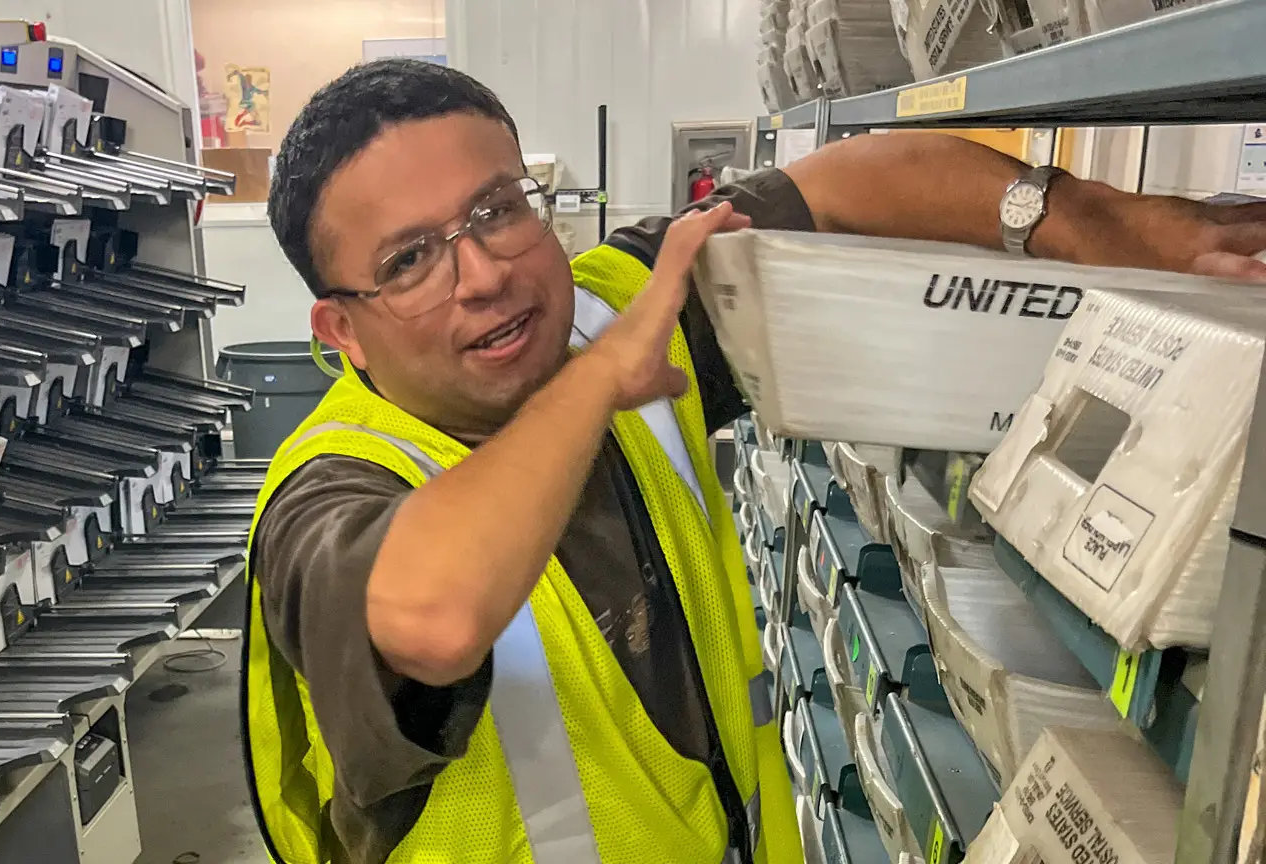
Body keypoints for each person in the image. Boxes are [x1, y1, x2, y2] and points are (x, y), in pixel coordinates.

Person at [242, 59, 1266, 864]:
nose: (483, 274)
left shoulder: (608, 307)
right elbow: (433, 617)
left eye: (497, 209)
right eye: (410, 261)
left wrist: (1095, 222)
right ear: (344, 331)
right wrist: (597, 384)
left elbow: (841, 182)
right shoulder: (327, 493)